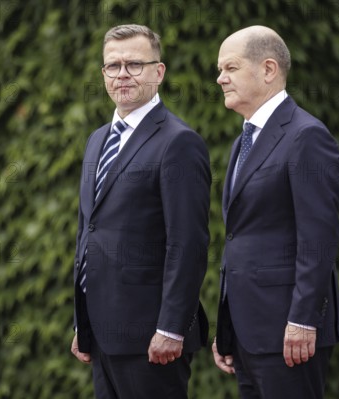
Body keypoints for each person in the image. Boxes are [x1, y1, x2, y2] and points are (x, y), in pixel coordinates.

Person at [70, 24, 211, 399]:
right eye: (112, 66)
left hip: (152, 340)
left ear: (159, 72)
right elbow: (89, 229)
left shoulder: (179, 143)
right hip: (101, 334)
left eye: (134, 64)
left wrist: (171, 329)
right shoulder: (97, 139)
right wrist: (82, 323)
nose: (122, 75)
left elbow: (189, 243)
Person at [211, 26, 339, 399]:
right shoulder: (244, 140)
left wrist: (303, 319)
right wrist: (228, 328)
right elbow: (244, 235)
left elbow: (318, 238)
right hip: (248, 334)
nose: (220, 78)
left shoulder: (306, 136)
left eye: (231, 68)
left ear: (268, 69)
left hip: (290, 334)